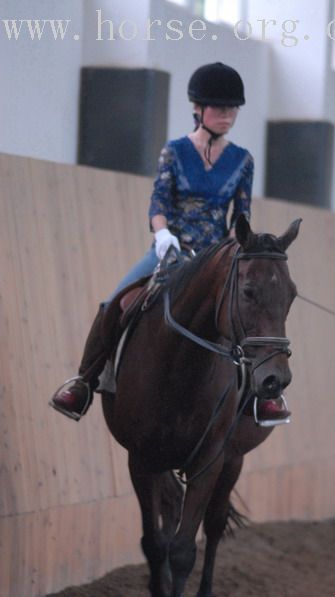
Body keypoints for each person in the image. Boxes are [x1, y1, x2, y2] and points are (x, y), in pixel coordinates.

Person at [50, 61, 254, 421]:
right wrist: (162, 235)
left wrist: (232, 250)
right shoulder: (174, 151)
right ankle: (83, 382)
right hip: (171, 251)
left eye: (232, 108)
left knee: (251, 313)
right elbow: (159, 202)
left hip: (216, 257)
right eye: (220, 108)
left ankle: (259, 397)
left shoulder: (242, 161)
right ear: (197, 108)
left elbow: (241, 216)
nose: (228, 115)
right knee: (114, 301)